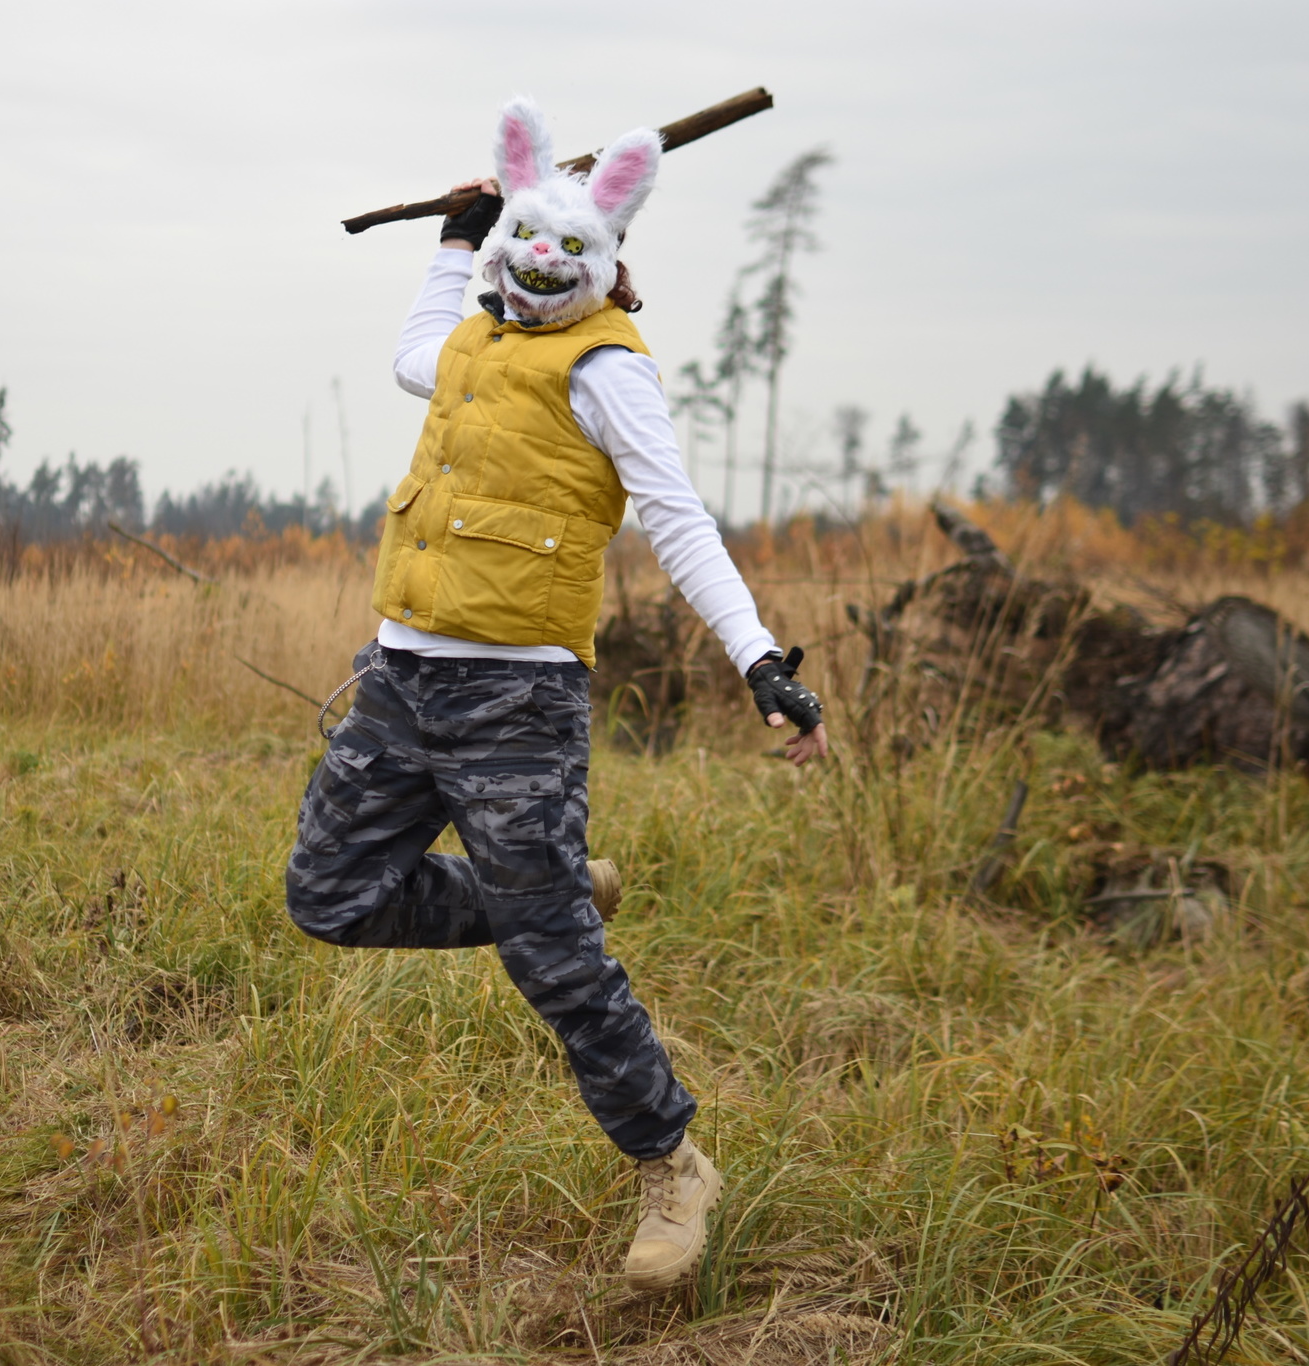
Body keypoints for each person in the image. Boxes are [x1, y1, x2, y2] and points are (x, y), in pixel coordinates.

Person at [284, 96, 829, 1292]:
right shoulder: (472, 342)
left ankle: (673, 1164)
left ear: (602, 264)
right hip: (399, 675)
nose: (534, 266)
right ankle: (551, 895)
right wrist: (444, 241)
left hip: (515, 701)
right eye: (515, 244)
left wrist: (757, 658)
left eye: (561, 252)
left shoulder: (603, 372)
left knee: (555, 965)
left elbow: (678, 520)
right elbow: (405, 357)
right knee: (327, 895)